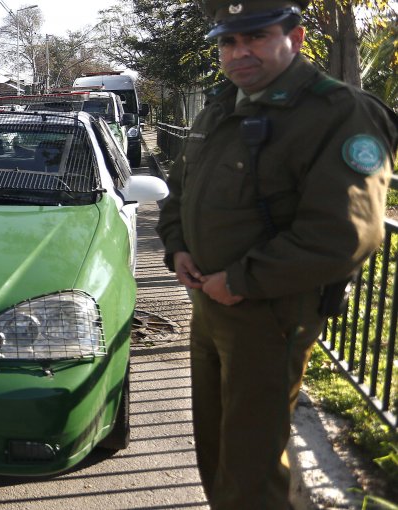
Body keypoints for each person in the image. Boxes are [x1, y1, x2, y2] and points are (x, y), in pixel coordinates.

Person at [156, 2, 398, 508]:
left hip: (268, 314)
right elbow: (180, 189)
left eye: (256, 37)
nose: (240, 51)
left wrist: (241, 280)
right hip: (208, 304)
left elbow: (342, 234)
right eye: (229, 41)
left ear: (297, 37)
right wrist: (177, 246)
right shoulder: (223, 105)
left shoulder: (337, 112)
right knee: (215, 450)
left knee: (251, 465)